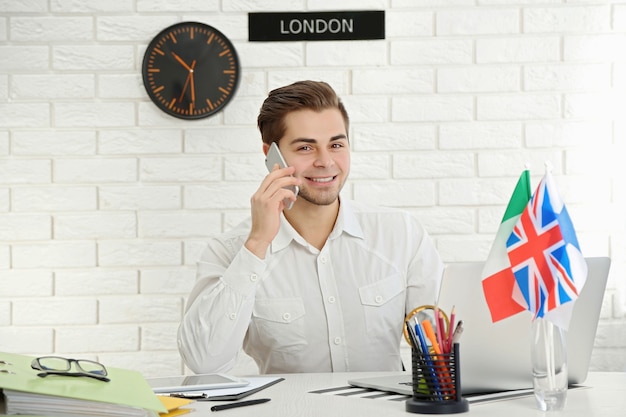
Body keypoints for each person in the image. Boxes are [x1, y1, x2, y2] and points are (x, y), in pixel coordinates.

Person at [177, 80, 443, 374]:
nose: (326, 161)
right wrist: (256, 245)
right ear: (271, 155)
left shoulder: (401, 234)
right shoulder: (231, 251)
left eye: (336, 145)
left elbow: (446, 340)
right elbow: (204, 363)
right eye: (306, 147)